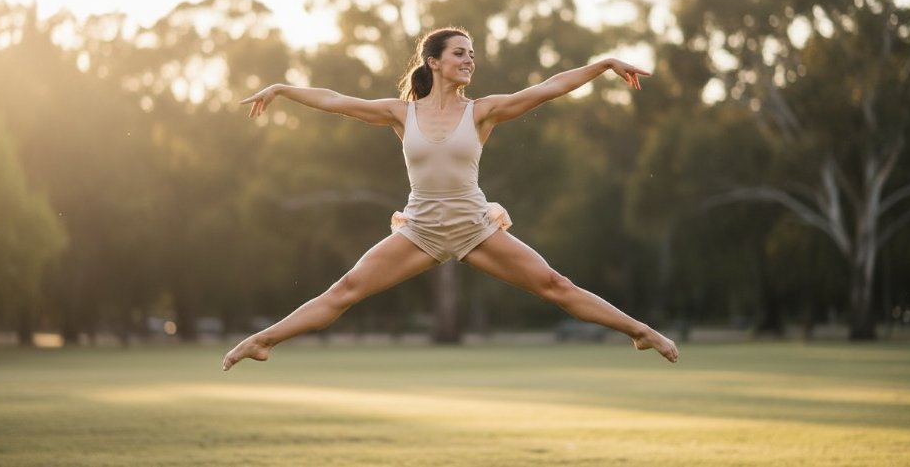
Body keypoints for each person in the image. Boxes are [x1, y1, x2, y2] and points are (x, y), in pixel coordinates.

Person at [222, 27, 678, 370]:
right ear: (434, 61)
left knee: (555, 286)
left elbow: (549, 87)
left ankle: (639, 332)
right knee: (345, 290)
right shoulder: (401, 114)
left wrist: (602, 65)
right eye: (460, 53)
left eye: (472, 55)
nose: (469, 61)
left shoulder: (482, 112)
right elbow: (335, 98)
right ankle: (263, 340)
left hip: (475, 227)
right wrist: (282, 89)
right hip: (420, 229)